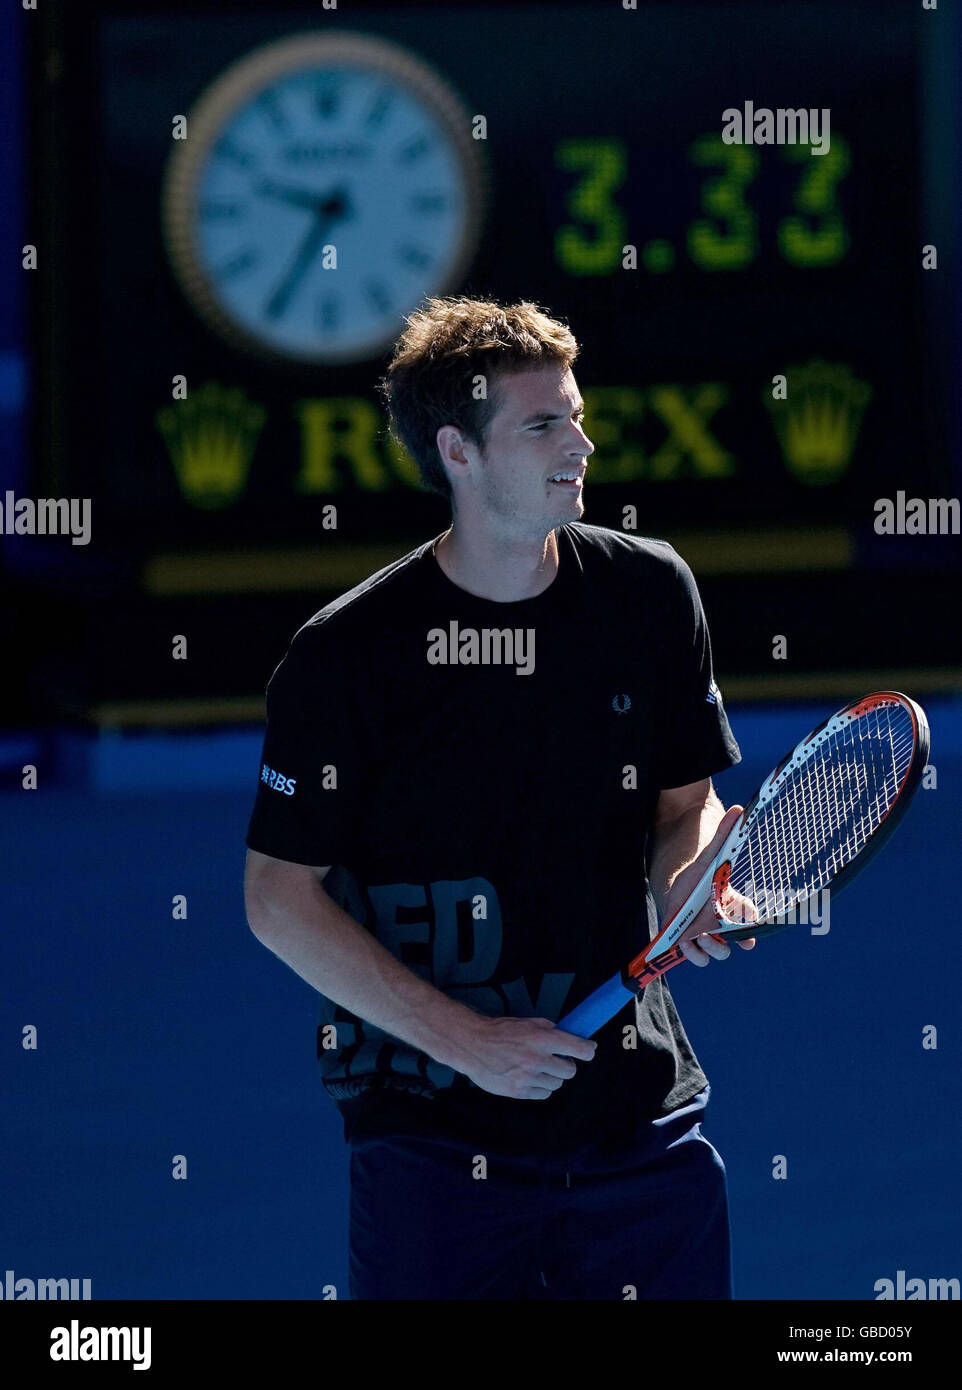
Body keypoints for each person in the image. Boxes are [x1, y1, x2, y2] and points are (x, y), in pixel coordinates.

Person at [243, 296, 755, 1300]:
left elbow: (677, 805)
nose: (582, 441)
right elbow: (277, 897)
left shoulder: (649, 594)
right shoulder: (344, 660)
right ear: (458, 451)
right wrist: (464, 1041)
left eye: (574, 413)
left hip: (637, 1120)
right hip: (433, 1141)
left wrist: (691, 871)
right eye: (543, 424)